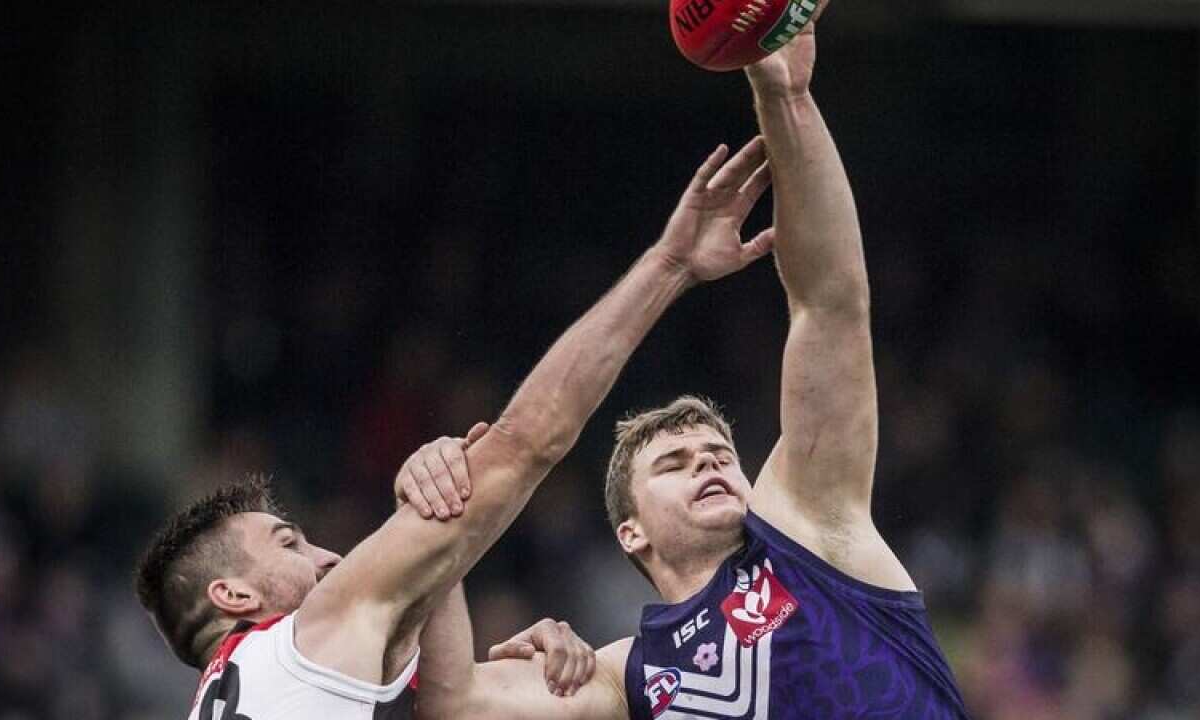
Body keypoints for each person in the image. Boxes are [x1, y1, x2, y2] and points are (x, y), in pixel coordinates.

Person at [404, 18, 971, 720]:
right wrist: (435, 512)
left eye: (718, 454)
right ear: (630, 533)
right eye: (673, 464)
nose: (707, 464)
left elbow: (830, 306)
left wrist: (786, 97)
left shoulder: (811, 534)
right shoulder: (622, 678)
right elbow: (452, 704)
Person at [132, 135, 777, 719]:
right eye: (289, 544)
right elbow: (529, 443)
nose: (329, 555)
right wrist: (670, 266)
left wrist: (522, 659)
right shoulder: (311, 635)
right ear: (234, 594)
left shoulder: (246, 691)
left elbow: (454, 703)